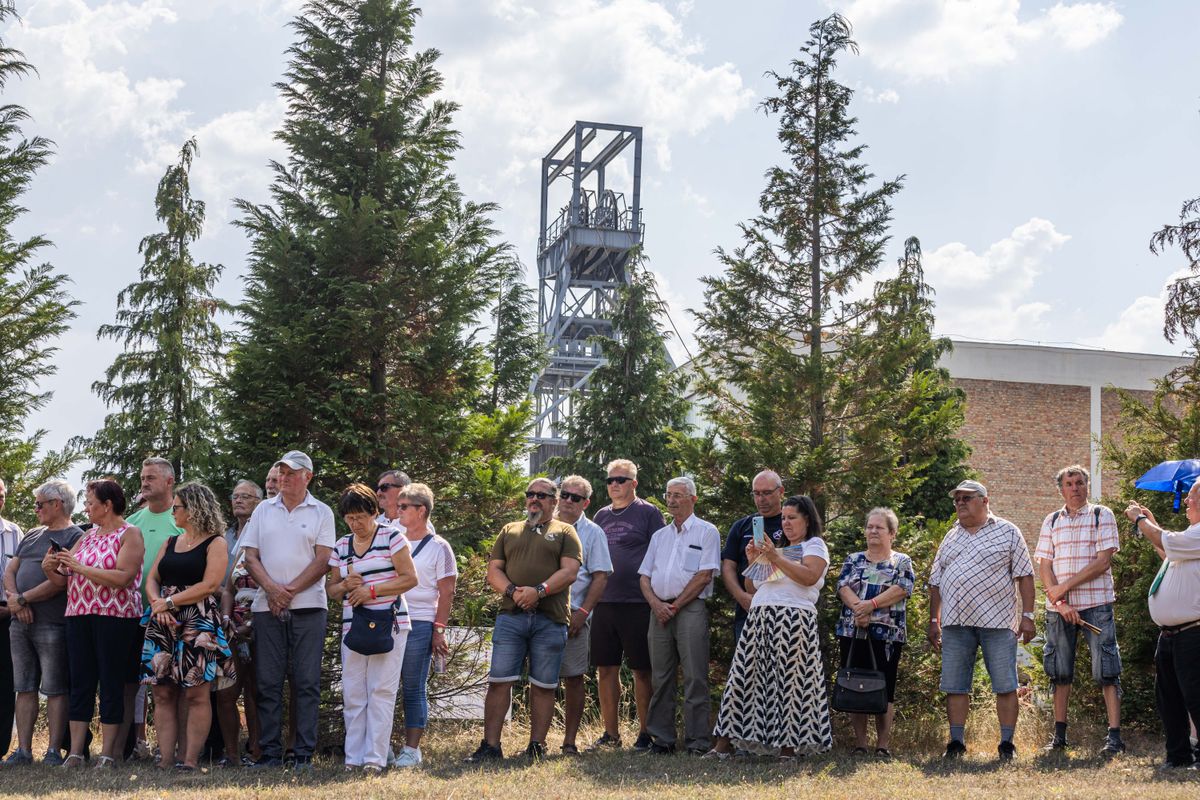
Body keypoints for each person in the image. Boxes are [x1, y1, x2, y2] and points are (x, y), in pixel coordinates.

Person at [465, 479, 581, 763]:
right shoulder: (510, 530)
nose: (535, 499)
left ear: (554, 501)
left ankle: (537, 746)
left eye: (542, 495)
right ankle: (490, 746)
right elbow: (493, 572)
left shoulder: (565, 531)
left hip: (550, 619)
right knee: (498, 681)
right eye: (531, 494)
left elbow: (570, 572)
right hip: (511, 617)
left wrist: (538, 591)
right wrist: (513, 592)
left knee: (543, 685)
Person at [710, 495, 832, 759]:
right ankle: (723, 746)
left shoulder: (814, 545)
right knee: (742, 679)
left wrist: (775, 557)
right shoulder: (776, 548)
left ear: (807, 519)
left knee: (791, 683)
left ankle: (788, 749)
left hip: (794, 618)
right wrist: (755, 560)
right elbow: (751, 587)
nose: (786, 523)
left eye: (792, 518)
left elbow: (809, 577)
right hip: (760, 616)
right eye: (784, 518)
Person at [239, 450, 335, 770]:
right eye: (281, 472)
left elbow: (323, 560)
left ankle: (303, 754)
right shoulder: (264, 510)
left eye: (291, 473)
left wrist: (289, 591)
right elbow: (250, 556)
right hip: (267, 608)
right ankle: (269, 753)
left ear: (307, 476)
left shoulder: (322, 512)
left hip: (309, 607)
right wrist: (272, 590)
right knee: (268, 681)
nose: (284, 478)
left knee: (306, 682)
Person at [41, 479, 145, 769]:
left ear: (107, 505)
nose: (86, 508)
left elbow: (124, 577)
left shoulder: (130, 534)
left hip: (115, 617)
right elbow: (66, 579)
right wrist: (50, 569)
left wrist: (79, 567)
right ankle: (75, 752)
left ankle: (109, 753)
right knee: (81, 683)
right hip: (79, 614)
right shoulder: (87, 536)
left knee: (111, 683)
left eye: (90, 503)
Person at [928, 480, 1035, 761]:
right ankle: (956, 742)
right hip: (955, 622)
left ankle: (1007, 744)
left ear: (985, 501)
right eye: (957, 499)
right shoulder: (951, 536)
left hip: (997, 623)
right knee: (954, 684)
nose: (960, 503)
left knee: (1005, 683)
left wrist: (1028, 616)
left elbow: (1025, 576)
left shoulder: (1008, 532)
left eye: (967, 498)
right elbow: (935, 581)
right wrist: (933, 620)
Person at [141, 482, 236, 772]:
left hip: (198, 621)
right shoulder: (171, 542)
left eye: (178, 506)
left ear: (193, 509)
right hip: (163, 622)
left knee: (196, 692)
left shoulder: (215, 543)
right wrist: (159, 603)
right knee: (162, 691)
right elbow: (152, 579)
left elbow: (210, 585)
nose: (173, 511)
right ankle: (166, 759)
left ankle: (191, 760)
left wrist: (169, 602)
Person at [326, 483, 417, 773]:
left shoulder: (393, 537)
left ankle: (375, 758)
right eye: (349, 518)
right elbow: (332, 590)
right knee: (353, 692)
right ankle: (353, 758)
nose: (355, 524)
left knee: (381, 691)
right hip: (354, 627)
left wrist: (372, 591)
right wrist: (344, 585)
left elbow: (409, 579)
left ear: (374, 512)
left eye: (360, 517)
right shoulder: (342, 545)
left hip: (390, 624)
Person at [1036, 465, 1124, 757]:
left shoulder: (1102, 515)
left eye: (1079, 482)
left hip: (1096, 604)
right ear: (1061, 489)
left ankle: (1114, 738)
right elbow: (1045, 566)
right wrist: (1060, 602)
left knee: (1107, 670)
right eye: (1069, 483)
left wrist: (1064, 589)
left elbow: (1102, 562)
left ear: (1087, 486)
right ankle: (1059, 737)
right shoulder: (1051, 521)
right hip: (1059, 610)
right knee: (1059, 672)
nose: (1075, 487)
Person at [2, 481, 83, 766]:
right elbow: (11, 570)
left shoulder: (75, 536)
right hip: (19, 622)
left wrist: (22, 600)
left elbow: (60, 583)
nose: (35, 509)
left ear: (57, 504)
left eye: (39, 504)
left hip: (52, 623)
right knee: (23, 686)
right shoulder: (34, 534)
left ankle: (52, 751)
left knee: (54, 687)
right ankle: (23, 750)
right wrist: (15, 600)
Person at [638, 477, 720, 755]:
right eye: (669, 495)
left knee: (696, 676)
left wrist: (674, 606)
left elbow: (704, 575)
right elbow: (645, 576)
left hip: (690, 609)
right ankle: (662, 739)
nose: (671, 500)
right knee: (661, 677)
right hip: (658, 611)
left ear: (693, 499)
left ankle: (697, 741)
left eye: (678, 495)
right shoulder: (659, 535)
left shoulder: (706, 532)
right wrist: (656, 605)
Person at [590, 459, 664, 751]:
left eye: (621, 479)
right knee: (605, 669)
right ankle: (611, 734)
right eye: (610, 480)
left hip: (638, 602)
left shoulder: (648, 513)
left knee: (641, 671)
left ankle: (646, 733)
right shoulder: (601, 515)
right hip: (604, 602)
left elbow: (660, 551)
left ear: (634, 483)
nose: (615, 484)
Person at [1126, 488, 1200, 769]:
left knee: (1195, 695)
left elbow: (1165, 539)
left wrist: (1139, 521)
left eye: (1190, 498)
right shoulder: (1191, 537)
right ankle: (1178, 755)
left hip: (1193, 632)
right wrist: (1150, 523)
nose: (1185, 504)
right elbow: (1166, 551)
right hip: (1171, 633)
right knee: (1169, 698)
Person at [834, 507, 914, 758]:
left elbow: (902, 588)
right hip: (853, 631)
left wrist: (872, 605)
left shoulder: (901, 561)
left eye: (879, 527)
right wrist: (859, 610)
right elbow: (842, 586)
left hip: (887, 636)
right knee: (855, 684)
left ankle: (882, 745)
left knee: (884, 688)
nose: (872, 531)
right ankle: (860, 744)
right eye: (869, 526)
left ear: (892, 533)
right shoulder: (853, 559)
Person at [392, 482, 457, 768]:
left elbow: (447, 591)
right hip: (389, 619)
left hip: (420, 621)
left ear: (421, 510)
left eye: (404, 506)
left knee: (413, 686)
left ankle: (411, 749)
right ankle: (381, 746)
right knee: (385, 685)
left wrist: (438, 629)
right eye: (398, 506)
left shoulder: (440, 547)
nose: (398, 511)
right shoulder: (393, 539)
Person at [125, 457, 183, 759]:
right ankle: (134, 744)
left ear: (169, 482)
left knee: (172, 685)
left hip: (175, 616)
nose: (144, 483)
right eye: (143, 477)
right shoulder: (132, 522)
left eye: (151, 478)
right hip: (134, 614)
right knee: (134, 683)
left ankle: (175, 749)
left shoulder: (182, 521)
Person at [553, 475, 611, 756]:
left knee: (574, 678)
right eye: (564, 494)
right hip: (539, 613)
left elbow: (600, 577)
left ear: (586, 502)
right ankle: (535, 741)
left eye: (575, 498)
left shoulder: (593, 533)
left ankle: (569, 742)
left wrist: (584, 613)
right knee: (539, 679)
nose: (567, 501)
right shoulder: (539, 524)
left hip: (574, 614)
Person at [720, 470, 787, 648]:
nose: (761, 499)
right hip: (748, 610)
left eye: (766, 493)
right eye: (756, 493)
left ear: (781, 492)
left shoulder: (790, 524)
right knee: (746, 672)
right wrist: (741, 596)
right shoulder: (742, 526)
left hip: (783, 610)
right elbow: (728, 566)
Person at [0, 477, 25, 761]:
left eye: (2, 495)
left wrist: (14, 604)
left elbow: (22, 571)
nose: (0, 499)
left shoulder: (14, 531)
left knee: (6, 684)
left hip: (7, 613)